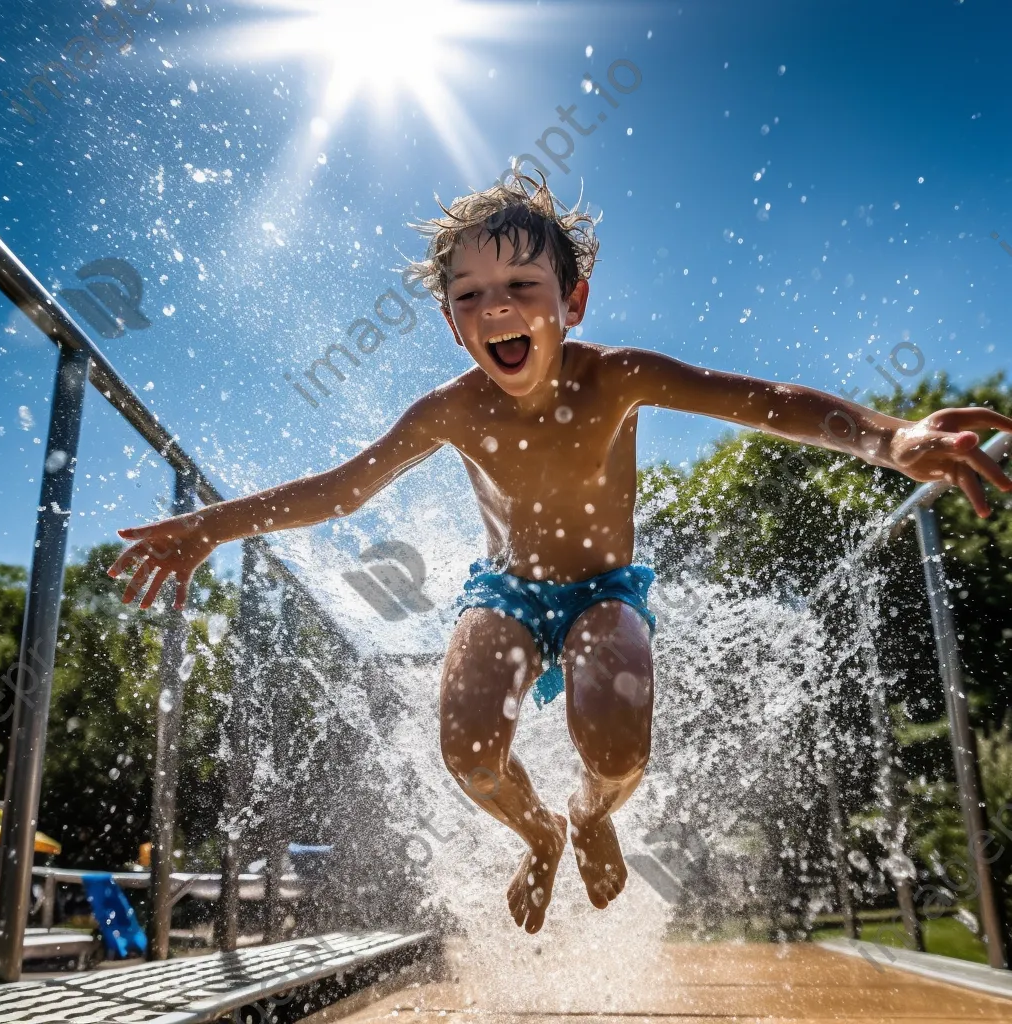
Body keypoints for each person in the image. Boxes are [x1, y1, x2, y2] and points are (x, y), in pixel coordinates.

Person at [108, 173, 1012, 934]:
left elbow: (767, 400)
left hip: (605, 591)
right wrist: (210, 526)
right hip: (501, 593)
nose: (496, 307)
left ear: (571, 303)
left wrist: (890, 441)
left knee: (616, 747)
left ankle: (588, 815)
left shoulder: (615, 377)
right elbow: (341, 491)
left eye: (521, 288)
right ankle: (539, 831)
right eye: (469, 297)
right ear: (453, 323)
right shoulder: (449, 410)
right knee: (469, 753)